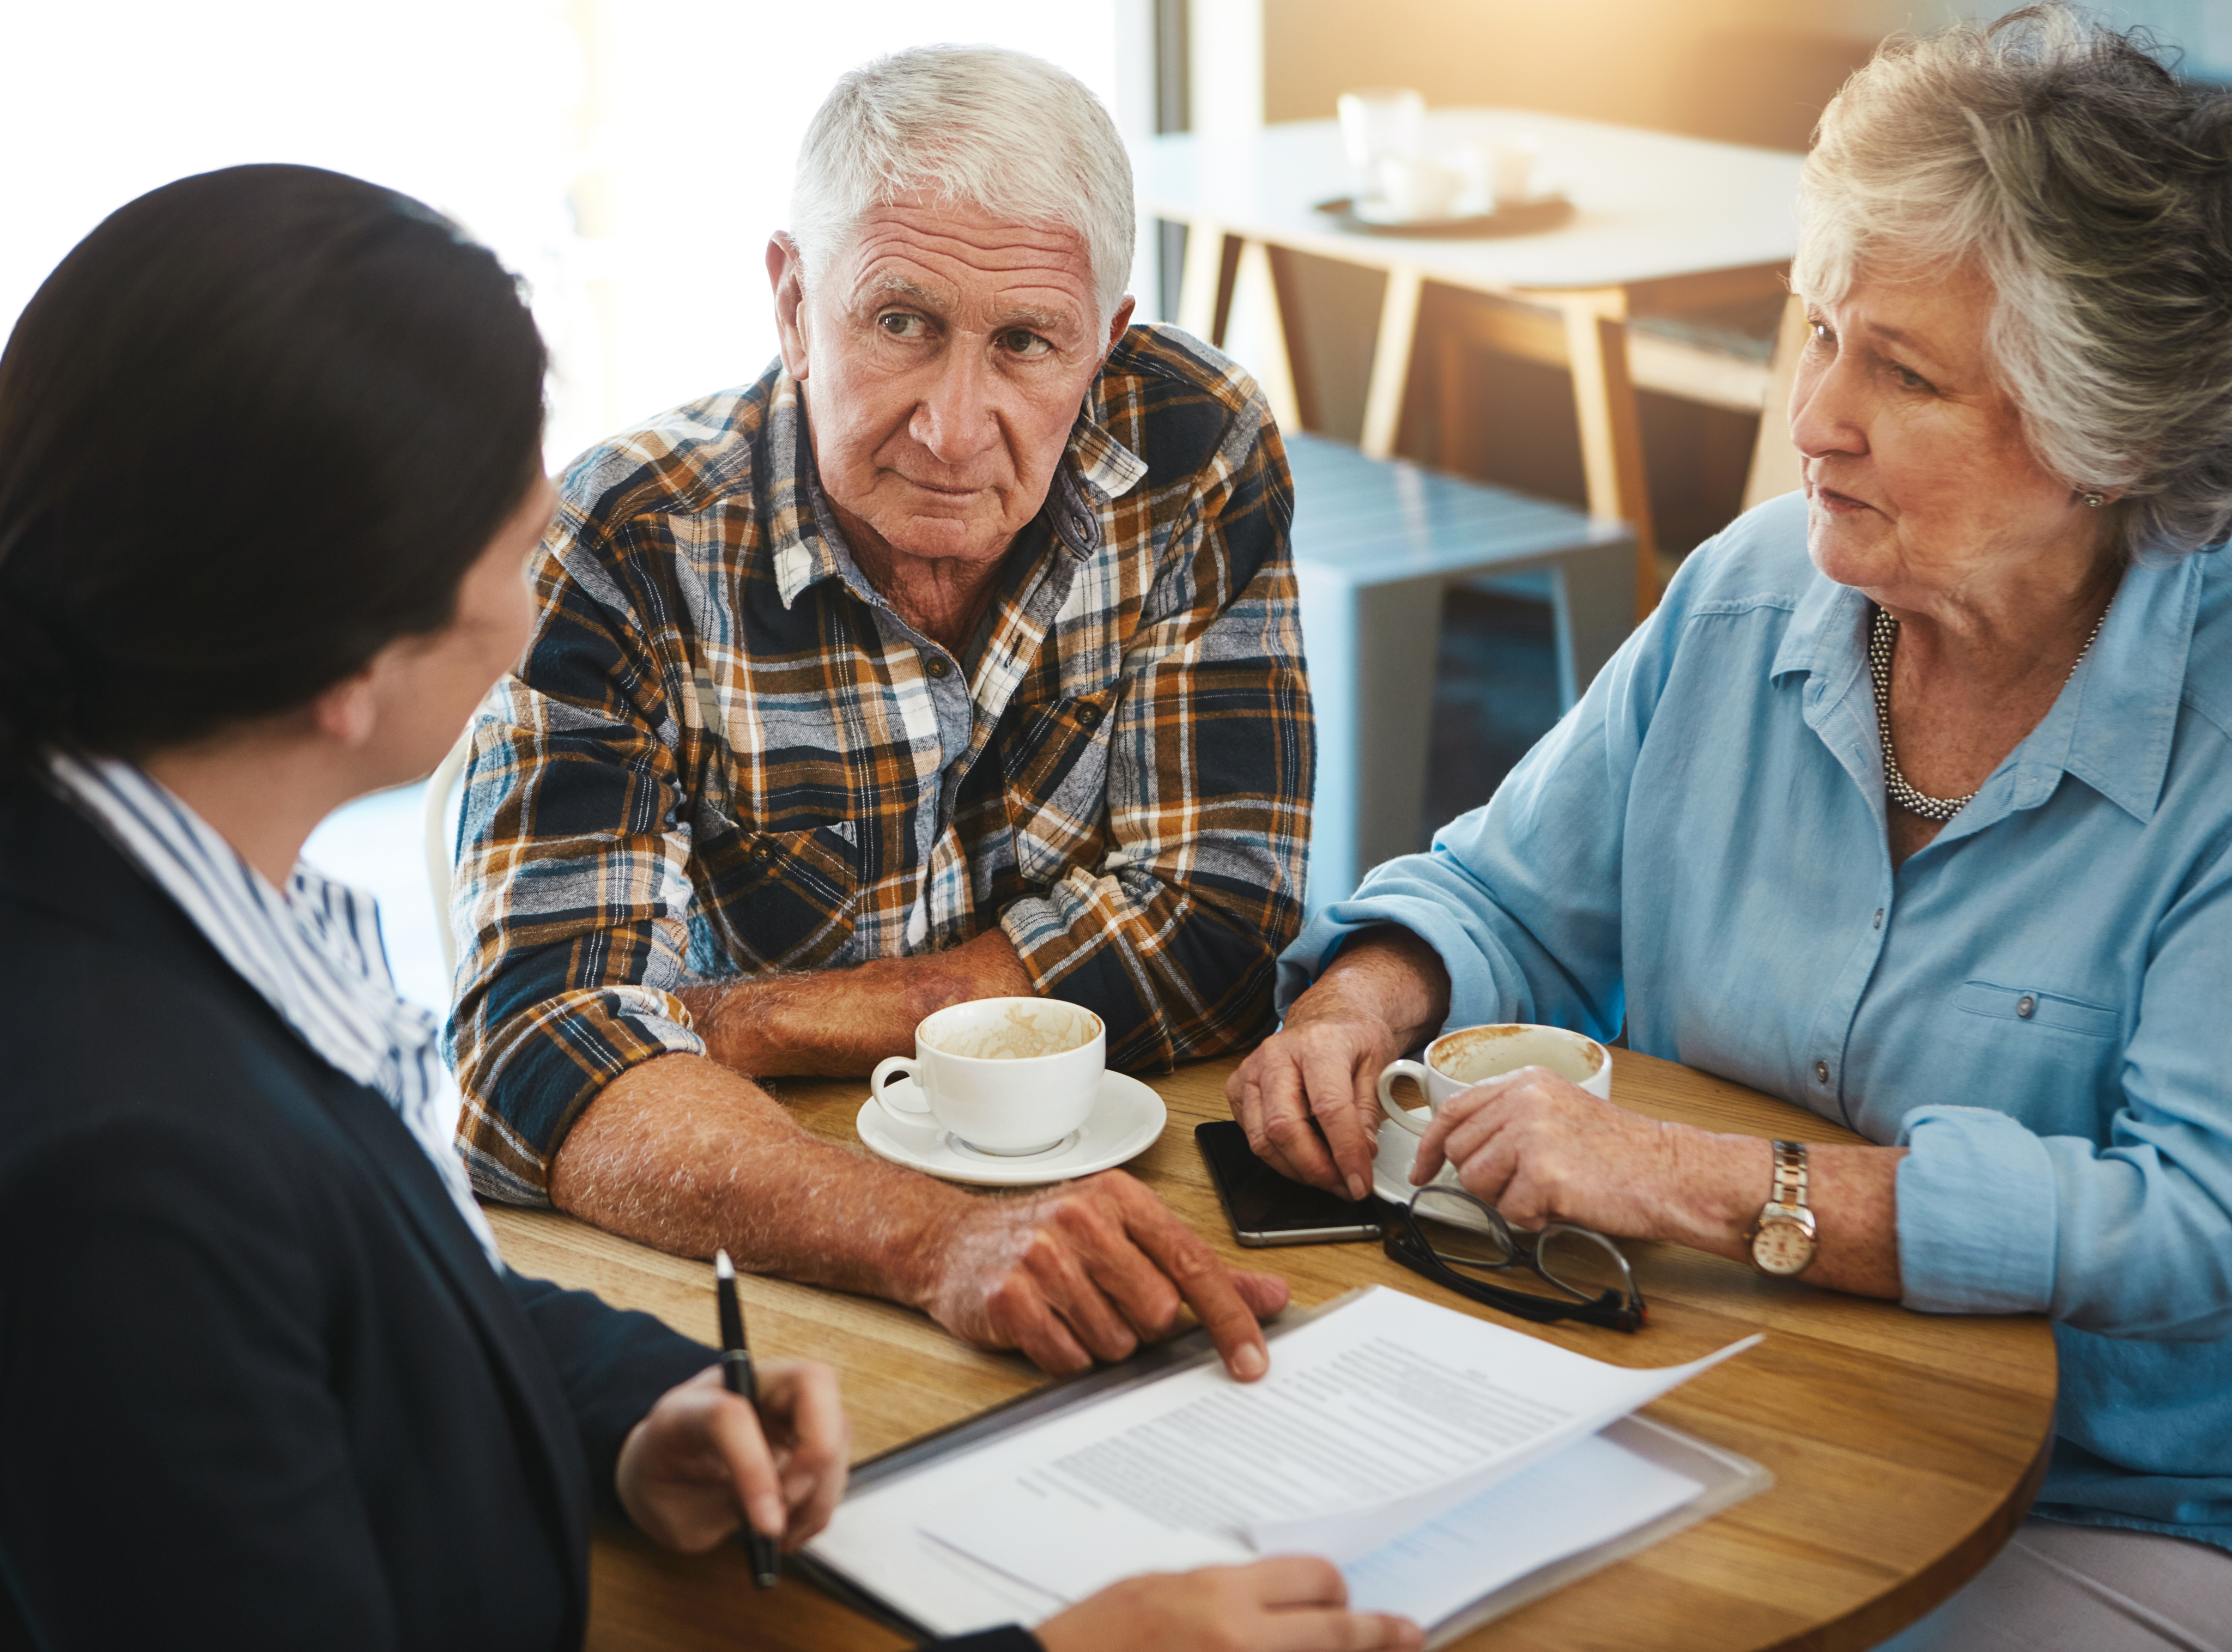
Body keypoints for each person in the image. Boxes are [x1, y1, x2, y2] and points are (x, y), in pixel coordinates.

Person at [0, 165, 1416, 1652]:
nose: (548, 515)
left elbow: (373, 1318)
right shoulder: (122, 1163)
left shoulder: (161, 922)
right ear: (344, 658)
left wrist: (632, 1411)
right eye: (504, 499)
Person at [1229, 8, 2232, 1647]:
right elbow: (1509, 897)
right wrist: (1368, 998)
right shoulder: (1751, 590)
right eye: (1818, 330)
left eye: (1898, 371)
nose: (1813, 415)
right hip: (1707, 1400)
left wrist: (1706, 1183)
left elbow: (2196, 1223)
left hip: (2104, 1502)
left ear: (2101, 436)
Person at [445, 45, 1310, 1381]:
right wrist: (937, 1240)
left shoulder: (1192, 447)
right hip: (744, 1216)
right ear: (793, 303)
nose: (954, 429)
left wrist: (749, 1021)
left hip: (1101, 1182)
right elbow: (542, 1056)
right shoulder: (620, 539)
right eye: (899, 321)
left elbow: (1222, 912)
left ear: (1107, 344)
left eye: (1025, 343)